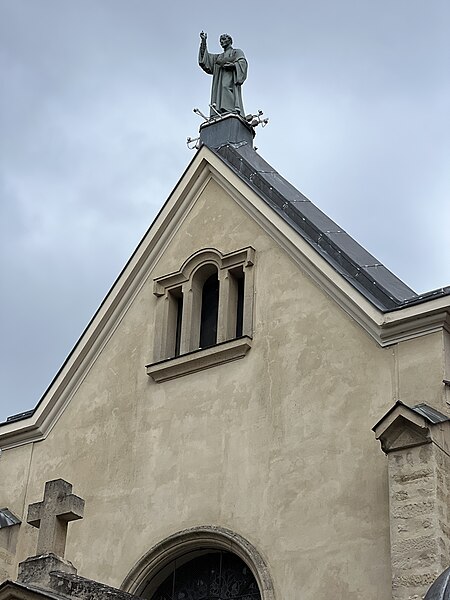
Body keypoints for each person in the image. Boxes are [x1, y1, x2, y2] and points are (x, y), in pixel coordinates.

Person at [198, 32, 248, 117]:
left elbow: (243, 62)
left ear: (230, 40)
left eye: (224, 39)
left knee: (226, 87)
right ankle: (220, 111)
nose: (221, 41)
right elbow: (206, 60)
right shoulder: (218, 57)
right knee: (222, 90)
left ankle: (231, 110)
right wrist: (203, 42)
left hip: (231, 79)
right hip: (219, 83)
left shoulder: (236, 52)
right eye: (220, 40)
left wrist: (233, 65)